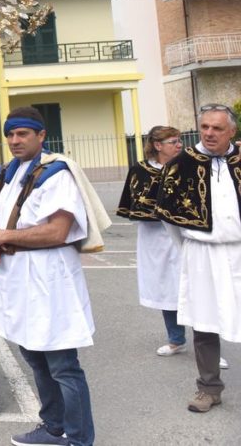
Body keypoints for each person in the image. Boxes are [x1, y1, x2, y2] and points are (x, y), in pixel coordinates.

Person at [0, 106, 95, 446]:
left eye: (23, 134)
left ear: (41, 136)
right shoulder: (4, 174)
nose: (15, 140)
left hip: (49, 277)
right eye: (10, 135)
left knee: (62, 364)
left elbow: (58, 231)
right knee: (34, 356)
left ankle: (79, 437)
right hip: (16, 279)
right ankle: (53, 425)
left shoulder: (57, 174)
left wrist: (3, 237)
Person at [155, 104, 241, 413]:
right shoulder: (181, 164)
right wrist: (190, 246)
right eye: (204, 127)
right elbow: (168, 218)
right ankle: (209, 388)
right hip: (201, 253)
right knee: (205, 322)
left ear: (231, 131)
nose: (209, 133)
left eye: (217, 128)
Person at [117, 126, 192, 357]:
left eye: (179, 141)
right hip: (155, 239)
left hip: (186, 235)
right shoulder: (140, 170)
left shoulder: (187, 166)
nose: (179, 145)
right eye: (173, 141)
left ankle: (207, 345)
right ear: (158, 145)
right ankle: (176, 339)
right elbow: (136, 202)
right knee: (166, 288)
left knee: (195, 287)